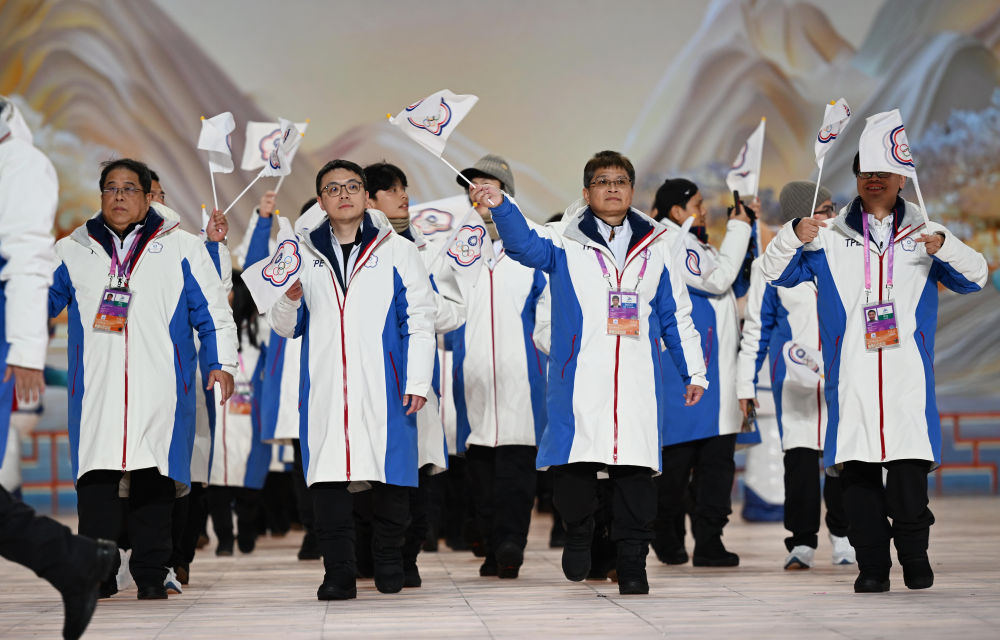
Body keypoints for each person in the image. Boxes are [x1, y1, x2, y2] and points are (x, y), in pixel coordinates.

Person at [476, 150, 707, 595]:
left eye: (620, 181)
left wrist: (693, 371)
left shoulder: (658, 243)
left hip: (637, 382)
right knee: (574, 468)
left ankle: (632, 563)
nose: (612, 188)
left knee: (635, 474)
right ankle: (579, 532)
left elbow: (675, 313)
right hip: (578, 378)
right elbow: (523, 245)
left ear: (632, 190)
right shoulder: (564, 238)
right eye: (602, 181)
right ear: (586, 193)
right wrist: (501, 206)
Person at [759, 152, 988, 592]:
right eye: (865, 172)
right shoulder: (829, 235)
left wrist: (947, 246)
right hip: (852, 381)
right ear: (856, 179)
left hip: (907, 381)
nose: (874, 178)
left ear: (903, 177)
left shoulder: (926, 233)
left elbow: (976, 277)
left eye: (884, 171)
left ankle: (915, 558)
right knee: (858, 480)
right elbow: (774, 273)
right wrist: (792, 234)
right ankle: (872, 568)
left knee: (908, 484)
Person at [48, 157, 238, 600]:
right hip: (95, 389)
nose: (119, 196)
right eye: (111, 188)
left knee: (154, 480)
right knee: (96, 483)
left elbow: (212, 312)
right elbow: (37, 304)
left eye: (129, 188)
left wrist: (221, 362)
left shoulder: (182, 246)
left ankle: (152, 572)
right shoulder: (72, 249)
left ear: (148, 196)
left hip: (161, 386)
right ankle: (99, 572)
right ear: (101, 195)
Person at [267, 159, 435, 600]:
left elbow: (420, 319)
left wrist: (417, 380)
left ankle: (388, 559)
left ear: (365, 196)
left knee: (392, 477)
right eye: (333, 188)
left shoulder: (397, 250)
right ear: (320, 201)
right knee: (327, 482)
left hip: (385, 384)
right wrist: (289, 299)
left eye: (352, 186)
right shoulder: (301, 252)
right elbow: (285, 326)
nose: (343, 194)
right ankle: (338, 572)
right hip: (325, 388)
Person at [0, 93, 118, 640]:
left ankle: (73, 560)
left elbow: (27, 259)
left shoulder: (20, 161)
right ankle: (73, 560)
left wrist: (26, 351)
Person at [737, 181, 854, 570]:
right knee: (800, 463)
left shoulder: (847, 258)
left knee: (843, 460)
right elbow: (757, 329)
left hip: (842, 379)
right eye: (824, 209)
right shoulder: (770, 265)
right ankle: (802, 542)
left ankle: (843, 536)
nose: (832, 216)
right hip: (796, 382)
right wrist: (745, 385)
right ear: (800, 217)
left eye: (833, 208)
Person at [444, 154, 548, 580]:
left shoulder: (534, 246)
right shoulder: (455, 249)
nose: (479, 194)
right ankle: (491, 545)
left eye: (488, 185)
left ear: (506, 192)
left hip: (522, 379)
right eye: (473, 187)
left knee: (516, 469)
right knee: (480, 471)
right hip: (471, 380)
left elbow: (548, 313)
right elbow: (443, 305)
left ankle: (511, 545)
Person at [364, 161, 465, 587]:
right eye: (391, 189)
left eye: (403, 187)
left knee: (419, 475)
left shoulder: (428, 250)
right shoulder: (344, 249)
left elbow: (454, 313)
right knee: (366, 474)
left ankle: (407, 557)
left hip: (414, 383)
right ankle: (368, 557)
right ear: (368, 200)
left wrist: (415, 298)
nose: (403, 195)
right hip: (366, 381)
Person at [649, 178, 751, 567]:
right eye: (697, 204)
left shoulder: (698, 243)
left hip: (718, 376)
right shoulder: (671, 242)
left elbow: (731, 283)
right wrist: (738, 228)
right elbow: (718, 279)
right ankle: (667, 536)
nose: (704, 210)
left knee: (716, 466)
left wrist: (748, 230)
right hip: (685, 376)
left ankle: (709, 541)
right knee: (676, 466)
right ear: (677, 212)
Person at [242, 194, 321, 561]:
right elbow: (254, 267)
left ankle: (335, 528)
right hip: (289, 370)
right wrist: (263, 219)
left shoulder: (337, 257)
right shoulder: (288, 256)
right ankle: (313, 530)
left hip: (324, 365)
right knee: (301, 457)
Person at [206, 269, 271, 556]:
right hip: (216, 421)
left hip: (248, 424)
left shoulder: (260, 335)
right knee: (216, 483)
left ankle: (246, 529)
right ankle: (224, 539)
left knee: (249, 483)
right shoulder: (208, 333)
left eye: (229, 290)